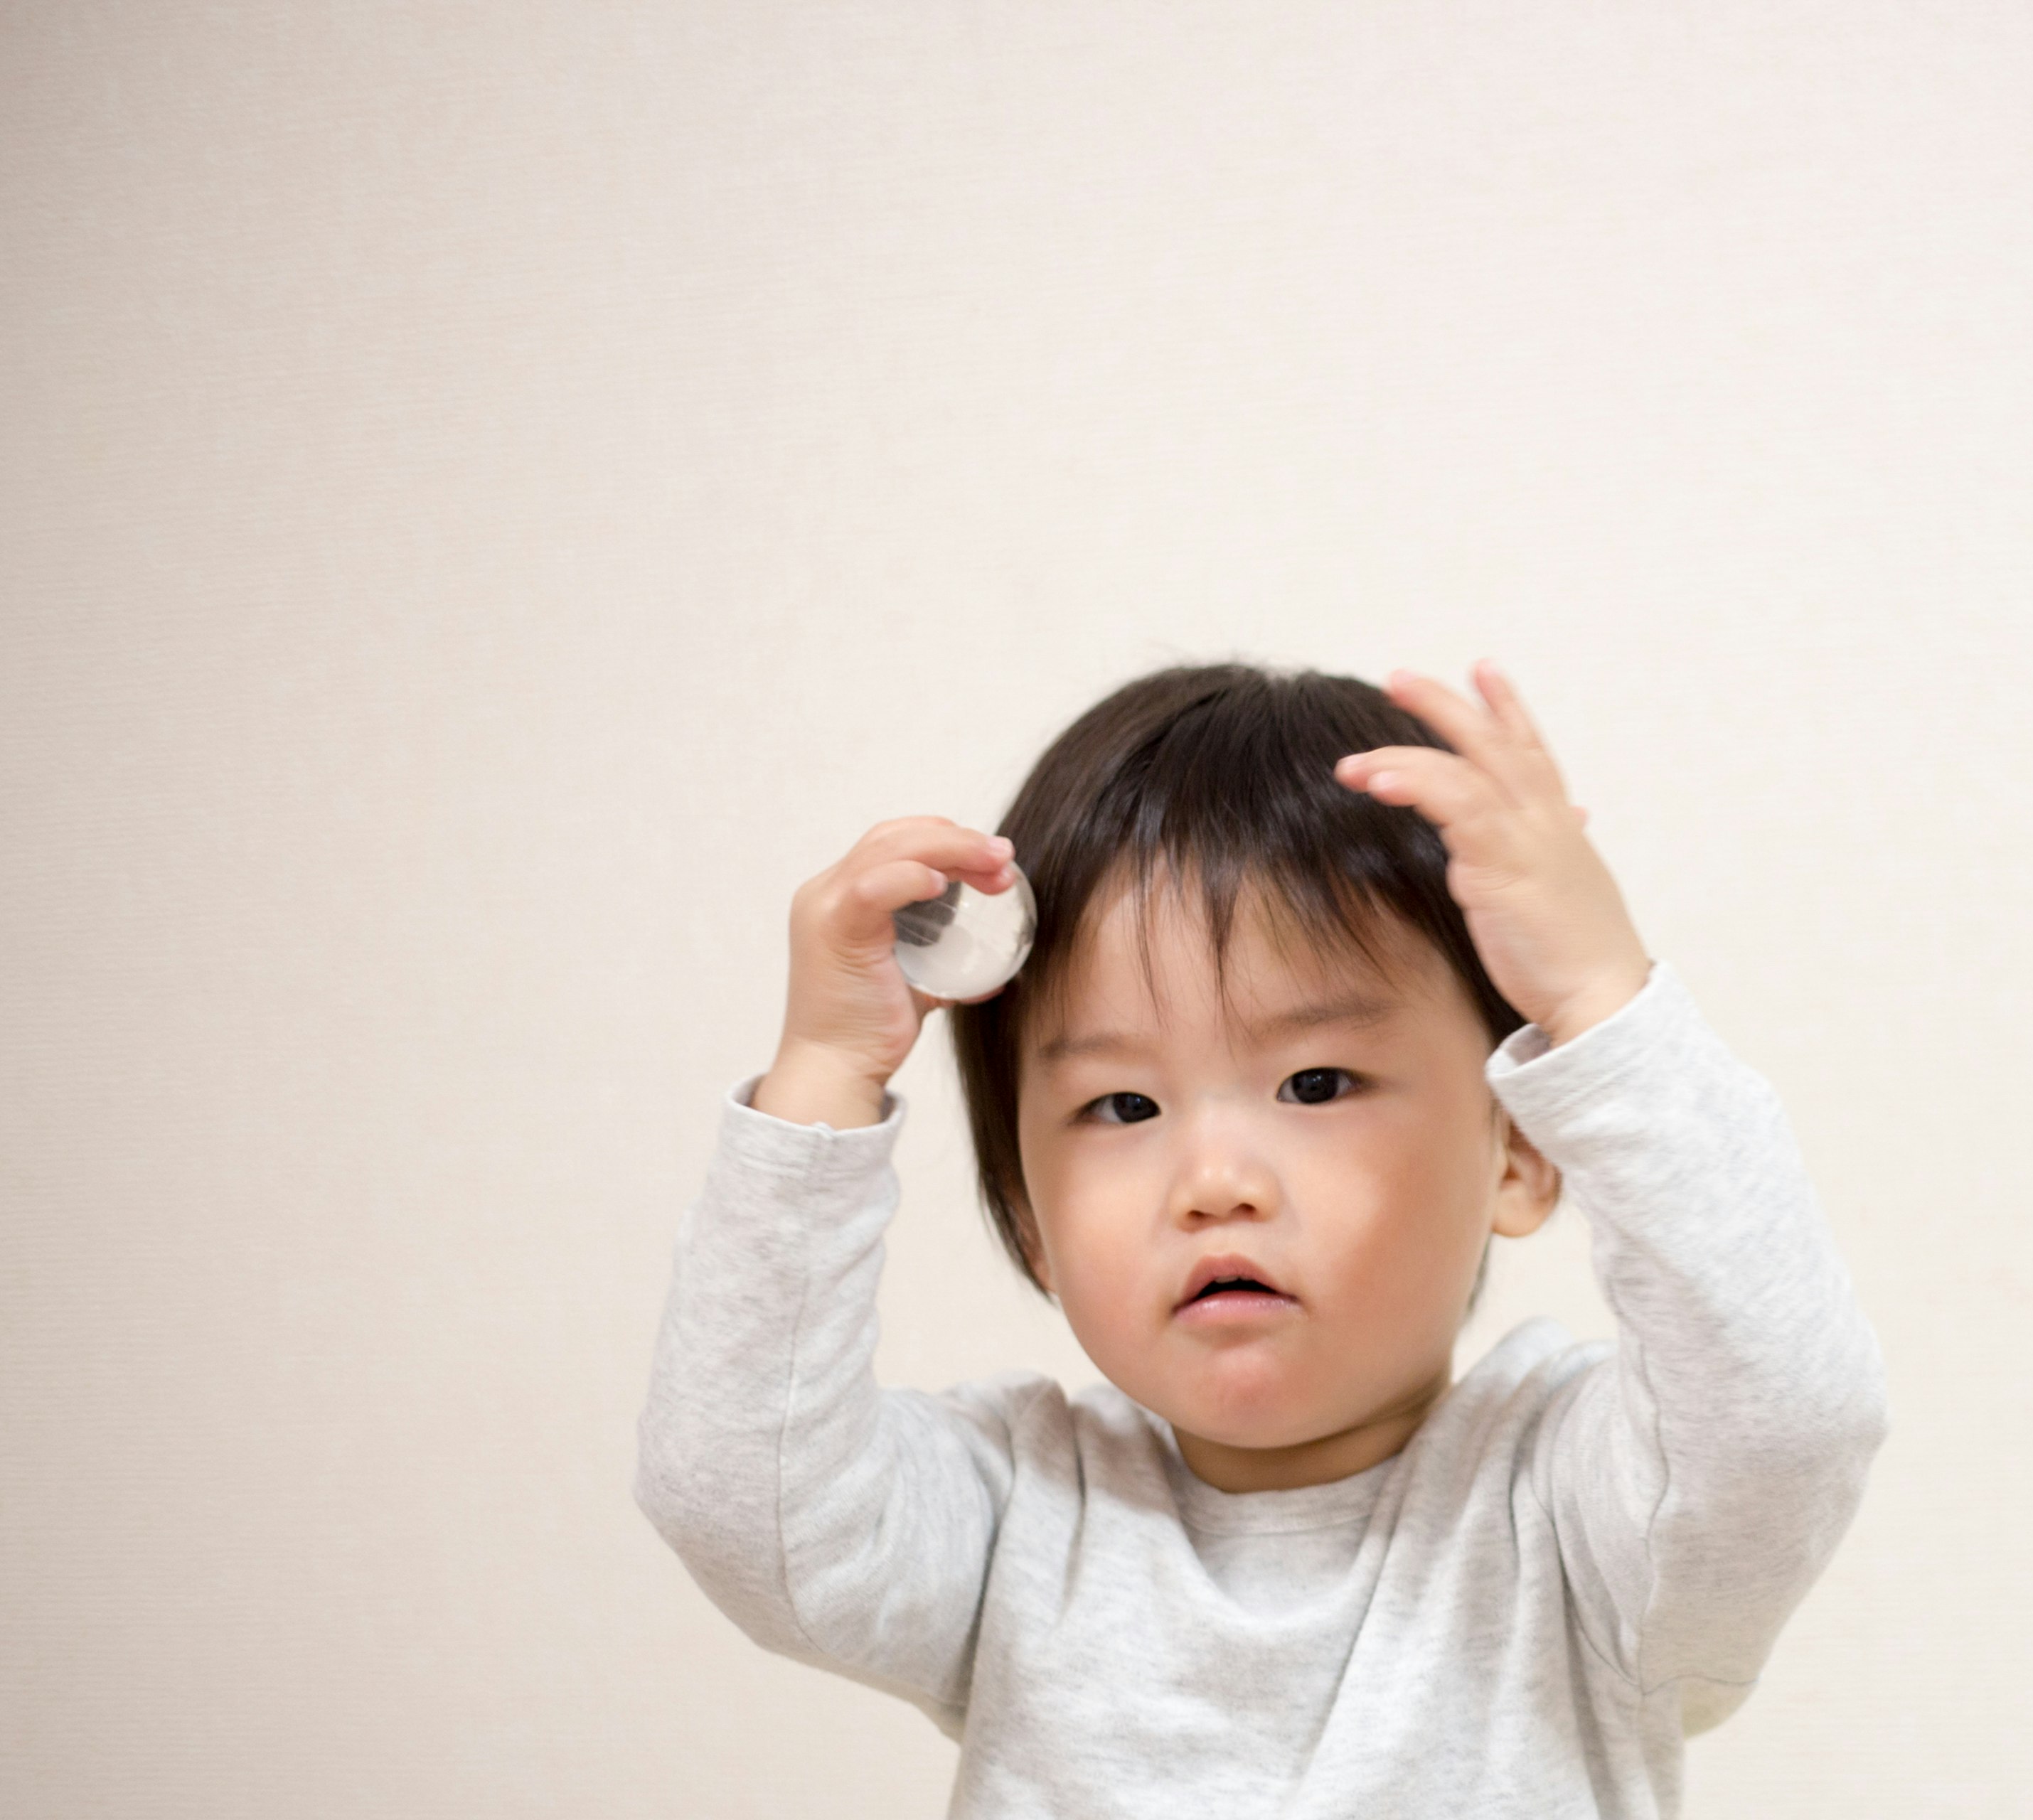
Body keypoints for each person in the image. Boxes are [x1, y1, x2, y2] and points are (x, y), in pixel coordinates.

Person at [634, 658, 1889, 1817]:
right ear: (1028, 1214)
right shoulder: (1015, 1516)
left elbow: (1785, 1415)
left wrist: (1602, 1008)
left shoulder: (1586, 1520)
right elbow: (739, 1499)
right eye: (1123, 1106)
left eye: (1317, 1084)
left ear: (1520, 1149)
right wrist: (826, 1070)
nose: (1215, 1181)